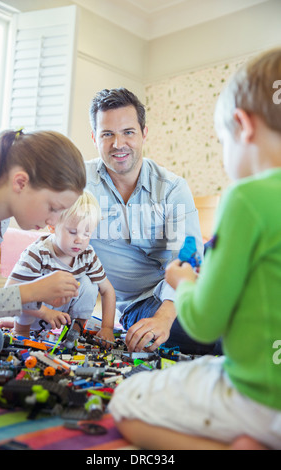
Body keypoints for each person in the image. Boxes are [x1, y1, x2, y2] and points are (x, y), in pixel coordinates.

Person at [108, 48, 281, 450]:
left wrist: (184, 281)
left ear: (243, 126)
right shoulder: (87, 185)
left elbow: (204, 320)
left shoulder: (244, 199)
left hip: (259, 393)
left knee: (126, 404)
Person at [86, 87, 220, 355]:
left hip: (180, 293)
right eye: (107, 134)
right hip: (138, 303)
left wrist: (165, 317)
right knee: (209, 338)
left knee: (245, 318)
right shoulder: (78, 183)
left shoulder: (171, 189)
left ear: (144, 134)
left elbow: (187, 258)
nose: (118, 144)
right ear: (94, 138)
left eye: (128, 132)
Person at [0, 129, 86, 355]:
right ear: (21, 182)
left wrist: (37, 298)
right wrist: (32, 291)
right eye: (53, 208)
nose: (54, 220)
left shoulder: (1, 216)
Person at [6, 191, 116, 344]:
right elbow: (11, 293)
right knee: (25, 289)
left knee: (89, 284)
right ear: (52, 227)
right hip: (34, 312)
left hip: (62, 317)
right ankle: (20, 330)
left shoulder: (87, 254)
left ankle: (74, 334)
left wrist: (108, 328)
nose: (79, 240)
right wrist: (44, 312)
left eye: (87, 233)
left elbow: (107, 290)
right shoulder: (37, 253)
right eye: (72, 232)